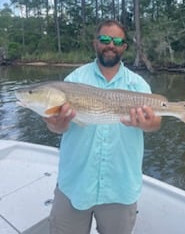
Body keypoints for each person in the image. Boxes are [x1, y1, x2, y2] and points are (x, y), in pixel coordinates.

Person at [45, 20, 162, 234]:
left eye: (117, 41)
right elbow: (57, 128)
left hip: (120, 187)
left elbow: (155, 123)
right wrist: (56, 125)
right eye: (105, 39)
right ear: (95, 43)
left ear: (124, 47)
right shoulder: (74, 80)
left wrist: (148, 124)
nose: (111, 45)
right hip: (74, 185)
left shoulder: (137, 85)